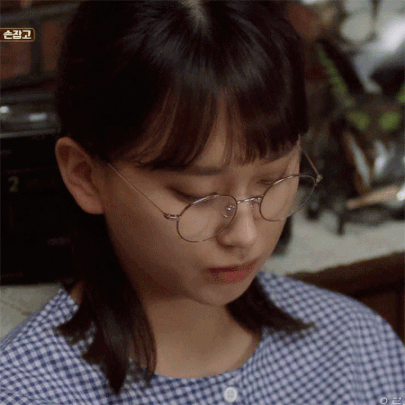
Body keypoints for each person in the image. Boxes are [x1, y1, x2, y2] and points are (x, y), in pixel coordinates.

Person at [0, 1, 404, 404]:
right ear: (86, 177)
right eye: (196, 195)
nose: (244, 235)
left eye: (273, 180)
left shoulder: (355, 346)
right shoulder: (28, 392)